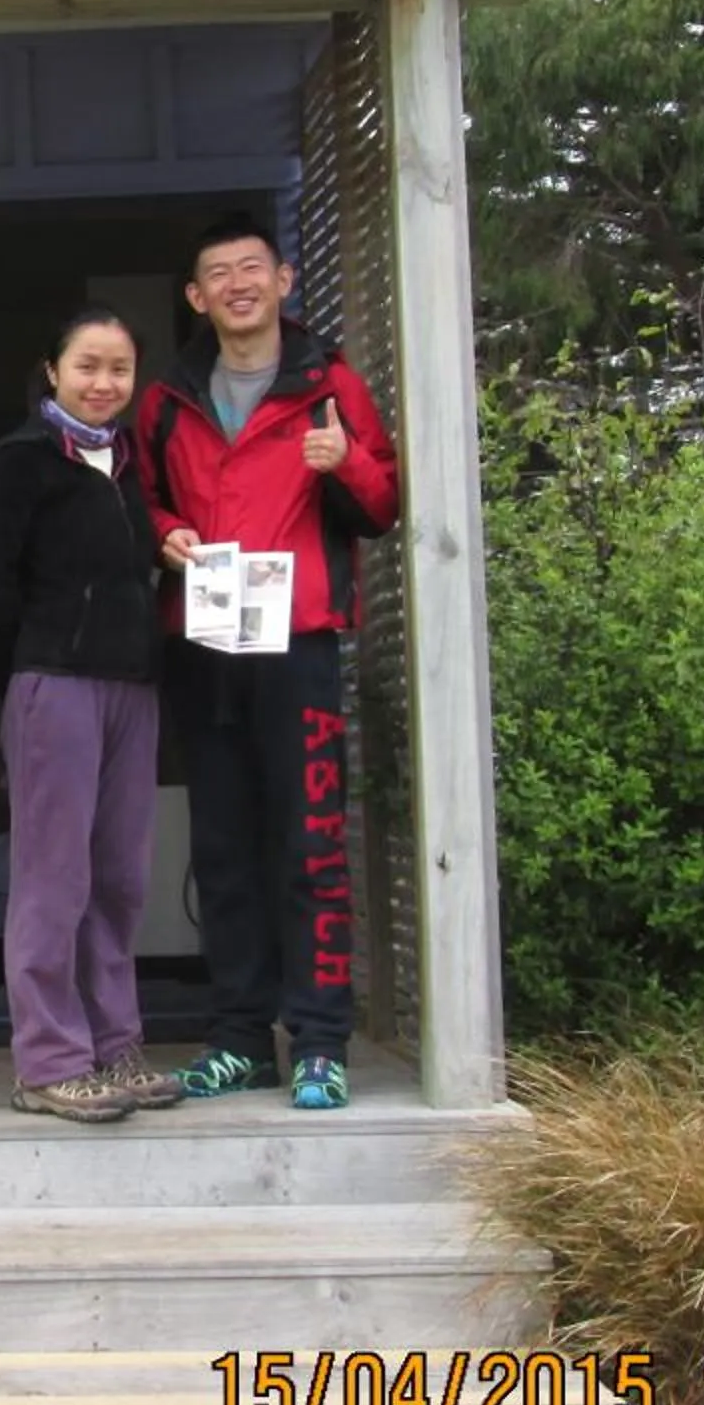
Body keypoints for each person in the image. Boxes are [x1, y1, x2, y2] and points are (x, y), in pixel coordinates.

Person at [141, 210, 399, 1112]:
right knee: (221, 848)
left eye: (253, 268)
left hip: (301, 641)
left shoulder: (329, 384)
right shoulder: (168, 395)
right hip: (207, 638)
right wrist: (166, 531)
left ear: (284, 281)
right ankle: (239, 1037)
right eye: (219, 273)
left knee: (311, 841)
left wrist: (343, 463)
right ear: (196, 296)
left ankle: (320, 1041)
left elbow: (384, 502)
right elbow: (139, 498)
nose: (238, 284)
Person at [0, 308, 185, 1124]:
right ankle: (50, 1061)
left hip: (131, 685)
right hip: (54, 685)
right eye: (87, 365)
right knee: (54, 878)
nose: (104, 383)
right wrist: (24, 678)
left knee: (121, 876)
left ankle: (113, 1044)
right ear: (51, 371)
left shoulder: (126, 463)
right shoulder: (20, 461)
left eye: (120, 369)